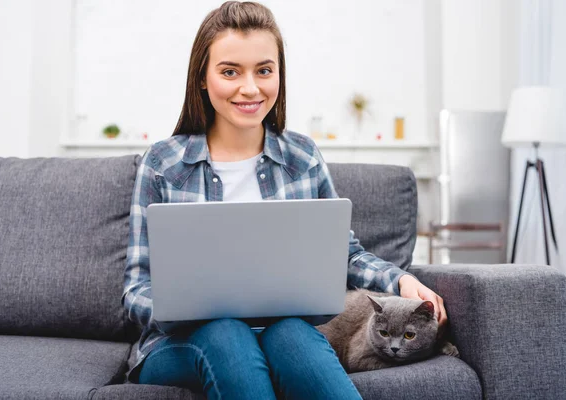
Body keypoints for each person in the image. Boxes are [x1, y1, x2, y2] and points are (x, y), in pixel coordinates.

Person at [122, 2, 448, 399]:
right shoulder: (163, 163)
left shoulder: (303, 158)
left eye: (264, 70)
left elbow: (342, 255)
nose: (250, 88)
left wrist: (402, 280)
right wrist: (180, 307)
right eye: (230, 71)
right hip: (181, 344)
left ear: (279, 74)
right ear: (203, 79)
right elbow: (136, 289)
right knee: (228, 333)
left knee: (294, 333)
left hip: (282, 329)